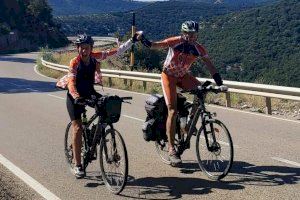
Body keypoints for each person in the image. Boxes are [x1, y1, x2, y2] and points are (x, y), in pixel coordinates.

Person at [138, 21, 227, 164]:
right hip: (168, 76)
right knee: (172, 110)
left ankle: (188, 125)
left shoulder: (199, 49)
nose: (191, 37)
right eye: (189, 33)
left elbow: (211, 66)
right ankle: (171, 149)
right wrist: (142, 39)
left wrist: (220, 84)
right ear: (183, 33)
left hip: (183, 76)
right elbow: (155, 45)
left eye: (194, 34)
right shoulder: (175, 42)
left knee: (202, 91)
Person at [57, 34, 138, 178]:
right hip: (74, 95)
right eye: (81, 48)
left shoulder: (96, 58)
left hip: (89, 92)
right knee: (77, 127)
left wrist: (132, 41)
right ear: (78, 49)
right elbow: (71, 81)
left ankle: (95, 134)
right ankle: (78, 165)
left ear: (91, 48)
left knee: (106, 106)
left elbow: (117, 51)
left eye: (86, 48)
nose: (84, 51)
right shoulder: (74, 62)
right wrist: (76, 97)